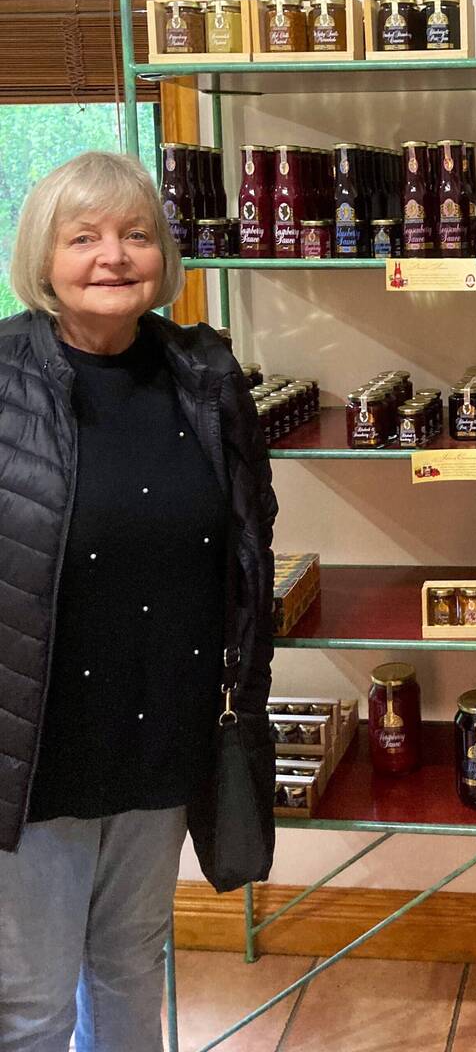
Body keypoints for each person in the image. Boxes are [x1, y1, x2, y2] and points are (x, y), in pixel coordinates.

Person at [0, 151, 277, 1052]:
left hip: (162, 730)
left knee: (129, 964)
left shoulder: (203, 375)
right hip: (37, 746)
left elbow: (247, 541)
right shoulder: (3, 377)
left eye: (136, 235)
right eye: (83, 238)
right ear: (44, 260)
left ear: (166, 255)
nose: (113, 256)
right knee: (31, 1000)